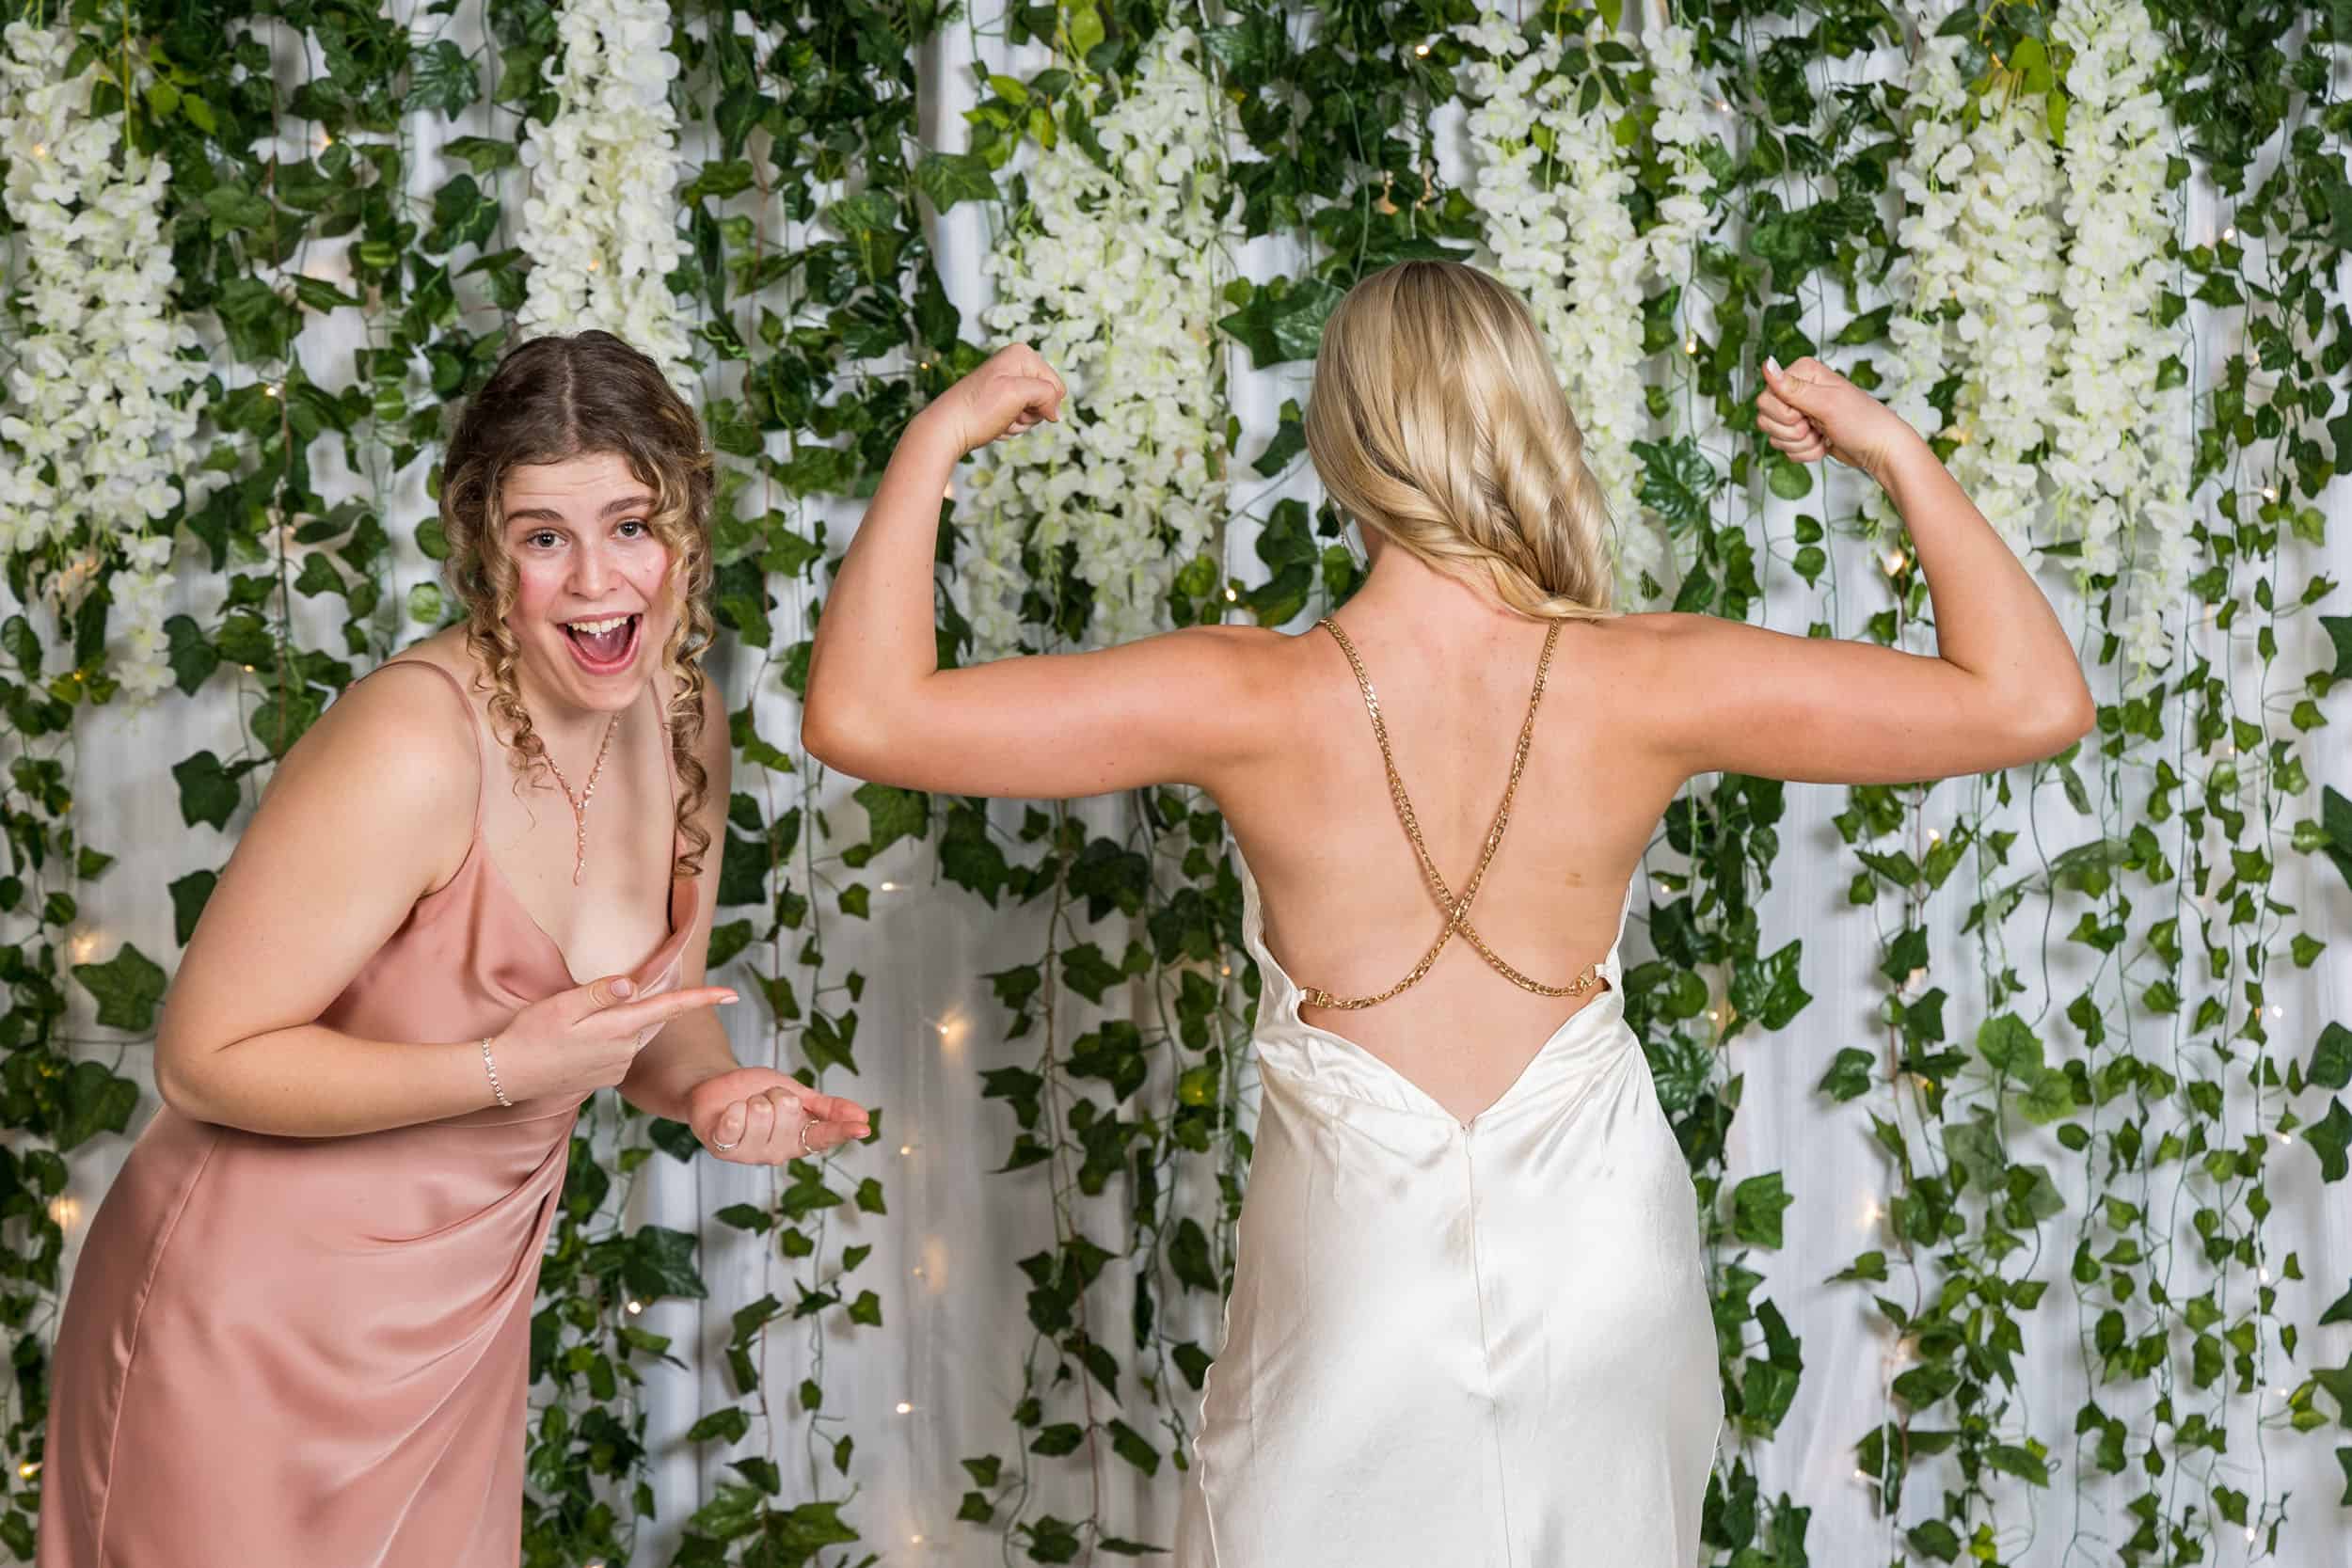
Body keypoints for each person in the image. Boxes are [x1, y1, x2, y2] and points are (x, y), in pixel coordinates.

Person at [802, 260, 2093, 1565]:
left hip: (1356, 1257)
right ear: (1528, 420)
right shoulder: (1651, 676)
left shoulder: (1249, 695)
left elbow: (864, 715)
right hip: (1603, 1252)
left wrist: (934, 443)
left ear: (1340, 447)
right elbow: (2032, 701)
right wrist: (1895, 454)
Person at [40, 331, 870, 1566]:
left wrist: (705, 1084)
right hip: (244, 1320)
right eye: (545, 537)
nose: (599, 580)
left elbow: (637, 1011)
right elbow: (204, 1061)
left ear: (688, 528)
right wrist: (499, 1068)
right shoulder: (414, 744)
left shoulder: (686, 726)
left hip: (452, 1331)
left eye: (633, 525)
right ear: (486, 552)